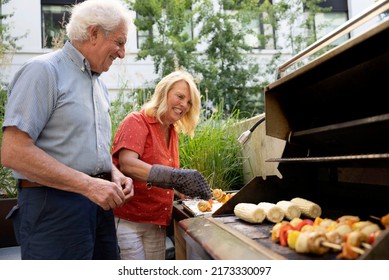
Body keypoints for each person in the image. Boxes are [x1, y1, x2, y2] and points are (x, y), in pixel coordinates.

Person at [0, 0, 134, 260]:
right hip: (53, 208)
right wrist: (88, 185)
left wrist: (112, 173)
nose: (122, 53)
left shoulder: (99, 85)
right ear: (94, 33)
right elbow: (13, 152)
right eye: (119, 42)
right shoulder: (43, 71)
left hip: (97, 206)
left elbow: (88, 149)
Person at [111, 69, 212, 260]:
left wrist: (181, 189)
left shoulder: (172, 132)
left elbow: (162, 178)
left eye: (189, 102)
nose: (184, 105)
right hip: (129, 221)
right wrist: (176, 177)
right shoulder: (137, 121)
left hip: (156, 222)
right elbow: (127, 164)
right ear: (164, 92)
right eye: (180, 96)